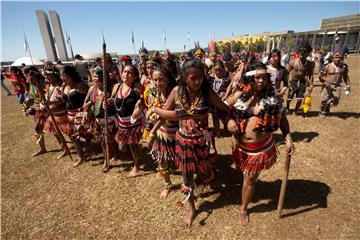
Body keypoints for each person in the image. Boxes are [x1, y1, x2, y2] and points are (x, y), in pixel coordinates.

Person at [153, 60, 236, 227]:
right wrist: (153, 126)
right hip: (183, 142)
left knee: (205, 172)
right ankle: (191, 208)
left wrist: (231, 118)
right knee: (187, 177)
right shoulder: (176, 92)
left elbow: (223, 108)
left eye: (200, 77)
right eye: (193, 78)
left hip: (203, 142)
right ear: (184, 78)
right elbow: (166, 113)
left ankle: (209, 175)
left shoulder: (207, 93)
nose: (197, 81)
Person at [226, 62, 295, 226]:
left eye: (264, 77)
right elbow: (223, 109)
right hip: (241, 146)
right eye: (257, 77)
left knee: (249, 179)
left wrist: (288, 139)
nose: (261, 81)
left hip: (260, 148)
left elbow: (283, 120)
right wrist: (229, 122)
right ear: (249, 78)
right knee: (243, 172)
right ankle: (246, 186)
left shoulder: (274, 98)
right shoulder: (238, 95)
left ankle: (243, 208)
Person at [147, 65, 178, 198]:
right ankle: (168, 185)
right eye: (155, 80)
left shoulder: (176, 92)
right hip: (162, 132)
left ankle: (190, 182)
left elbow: (171, 115)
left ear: (168, 79)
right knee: (162, 159)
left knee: (183, 161)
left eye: (161, 79)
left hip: (178, 132)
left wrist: (152, 132)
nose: (158, 83)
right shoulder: (155, 92)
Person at [110, 65, 144, 177]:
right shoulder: (117, 86)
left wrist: (139, 106)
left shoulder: (137, 86)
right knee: (122, 147)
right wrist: (108, 102)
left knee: (132, 145)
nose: (126, 74)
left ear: (134, 77)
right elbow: (113, 99)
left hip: (134, 122)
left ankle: (136, 166)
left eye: (129, 73)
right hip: (122, 123)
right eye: (124, 71)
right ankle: (137, 154)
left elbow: (145, 100)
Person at [83, 69, 118, 172]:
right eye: (94, 77)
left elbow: (117, 103)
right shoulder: (92, 89)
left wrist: (110, 103)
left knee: (108, 140)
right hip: (98, 120)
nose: (94, 79)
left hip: (110, 119)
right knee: (104, 141)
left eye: (97, 77)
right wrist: (88, 104)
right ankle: (109, 158)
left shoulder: (111, 89)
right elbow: (85, 103)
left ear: (104, 79)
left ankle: (111, 158)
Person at [61, 66, 91, 167]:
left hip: (80, 113)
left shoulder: (80, 85)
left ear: (71, 75)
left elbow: (89, 96)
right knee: (72, 135)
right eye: (62, 75)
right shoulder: (64, 86)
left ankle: (89, 141)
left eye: (65, 76)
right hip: (69, 114)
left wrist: (88, 107)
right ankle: (81, 156)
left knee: (83, 133)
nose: (63, 77)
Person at [43, 67, 69, 159]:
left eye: (49, 76)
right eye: (46, 76)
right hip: (52, 114)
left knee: (69, 132)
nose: (47, 78)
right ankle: (64, 149)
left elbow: (63, 101)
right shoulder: (49, 87)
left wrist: (51, 103)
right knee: (56, 133)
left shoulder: (60, 87)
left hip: (62, 114)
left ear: (54, 76)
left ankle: (81, 145)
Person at [318, 48, 350, 117]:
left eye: (340, 57)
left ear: (342, 58)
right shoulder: (327, 66)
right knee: (324, 100)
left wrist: (348, 86)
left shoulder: (344, 67)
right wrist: (325, 82)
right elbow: (320, 77)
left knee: (335, 100)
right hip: (327, 85)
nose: (338, 59)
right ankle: (321, 111)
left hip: (337, 85)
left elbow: (345, 77)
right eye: (336, 57)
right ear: (332, 58)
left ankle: (328, 104)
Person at [285, 39, 315, 114]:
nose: (302, 53)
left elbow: (311, 75)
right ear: (298, 52)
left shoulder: (309, 64)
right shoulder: (293, 62)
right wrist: (288, 83)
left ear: (307, 53)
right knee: (289, 97)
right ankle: (287, 107)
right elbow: (286, 73)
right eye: (301, 51)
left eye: (304, 52)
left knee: (300, 98)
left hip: (302, 82)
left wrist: (311, 86)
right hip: (293, 81)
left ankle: (296, 110)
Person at [208, 61, 232, 136]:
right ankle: (217, 132)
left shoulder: (228, 77)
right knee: (215, 117)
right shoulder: (210, 78)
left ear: (223, 69)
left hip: (224, 101)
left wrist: (225, 95)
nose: (218, 72)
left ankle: (226, 130)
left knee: (225, 116)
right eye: (216, 70)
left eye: (220, 70)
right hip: (214, 102)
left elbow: (231, 87)